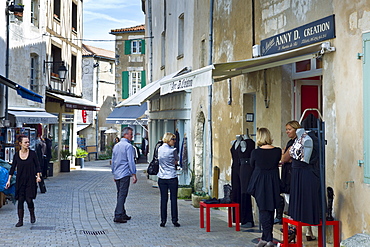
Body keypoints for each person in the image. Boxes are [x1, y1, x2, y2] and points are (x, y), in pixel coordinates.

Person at [280, 121, 317, 241]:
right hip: (295, 172)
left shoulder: (299, 141)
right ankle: (306, 231)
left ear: (296, 129)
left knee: (294, 200)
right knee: (295, 200)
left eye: (289, 129)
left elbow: (284, 159)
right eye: (286, 129)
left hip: (296, 173)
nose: (287, 132)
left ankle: (294, 228)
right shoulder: (296, 141)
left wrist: (285, 153)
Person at [247, 128, 281, 247]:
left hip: (260, 181)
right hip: (273, 181)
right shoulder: (277, 151)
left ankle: (265, 238)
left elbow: (252, 164)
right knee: (270, 209)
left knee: (263, 209)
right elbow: (277, 162)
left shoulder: (255, 152)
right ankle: (268, 238)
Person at [5, 135, 42, 227]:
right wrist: (8, 180)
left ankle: (32, 214)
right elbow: (12, 168)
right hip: (20, 180)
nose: (27, 144)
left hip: (30, 180)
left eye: (28, 142)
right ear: (20, 143)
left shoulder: (33, 154)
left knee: (29, 199)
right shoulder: (17, 155)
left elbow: (37, 166)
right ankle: (20, 220)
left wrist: (38, 176)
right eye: (25, 142)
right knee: (20, 200)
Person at [111, 127, 137, 223]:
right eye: (131, 134)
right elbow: (131, 161)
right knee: (123, 194)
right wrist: (134, 173)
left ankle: (122, 213)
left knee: (120, 193)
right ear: (125, 134)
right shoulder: (128, 146)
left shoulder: (116, 146)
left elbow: (113, 161)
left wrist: (113, 172)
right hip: (125, 173)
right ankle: (118, 215)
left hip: (117, 173)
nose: (132, 136)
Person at [157, 132, 180, 227]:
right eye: (173, 139)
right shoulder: (172, 150)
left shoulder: (159, 149)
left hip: (161, 177)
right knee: (173, 199)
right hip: (171, 176)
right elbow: (176, 160)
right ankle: (174, 220)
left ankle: (163, 220)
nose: (174, 141)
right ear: (168, 140)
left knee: (163, 199)